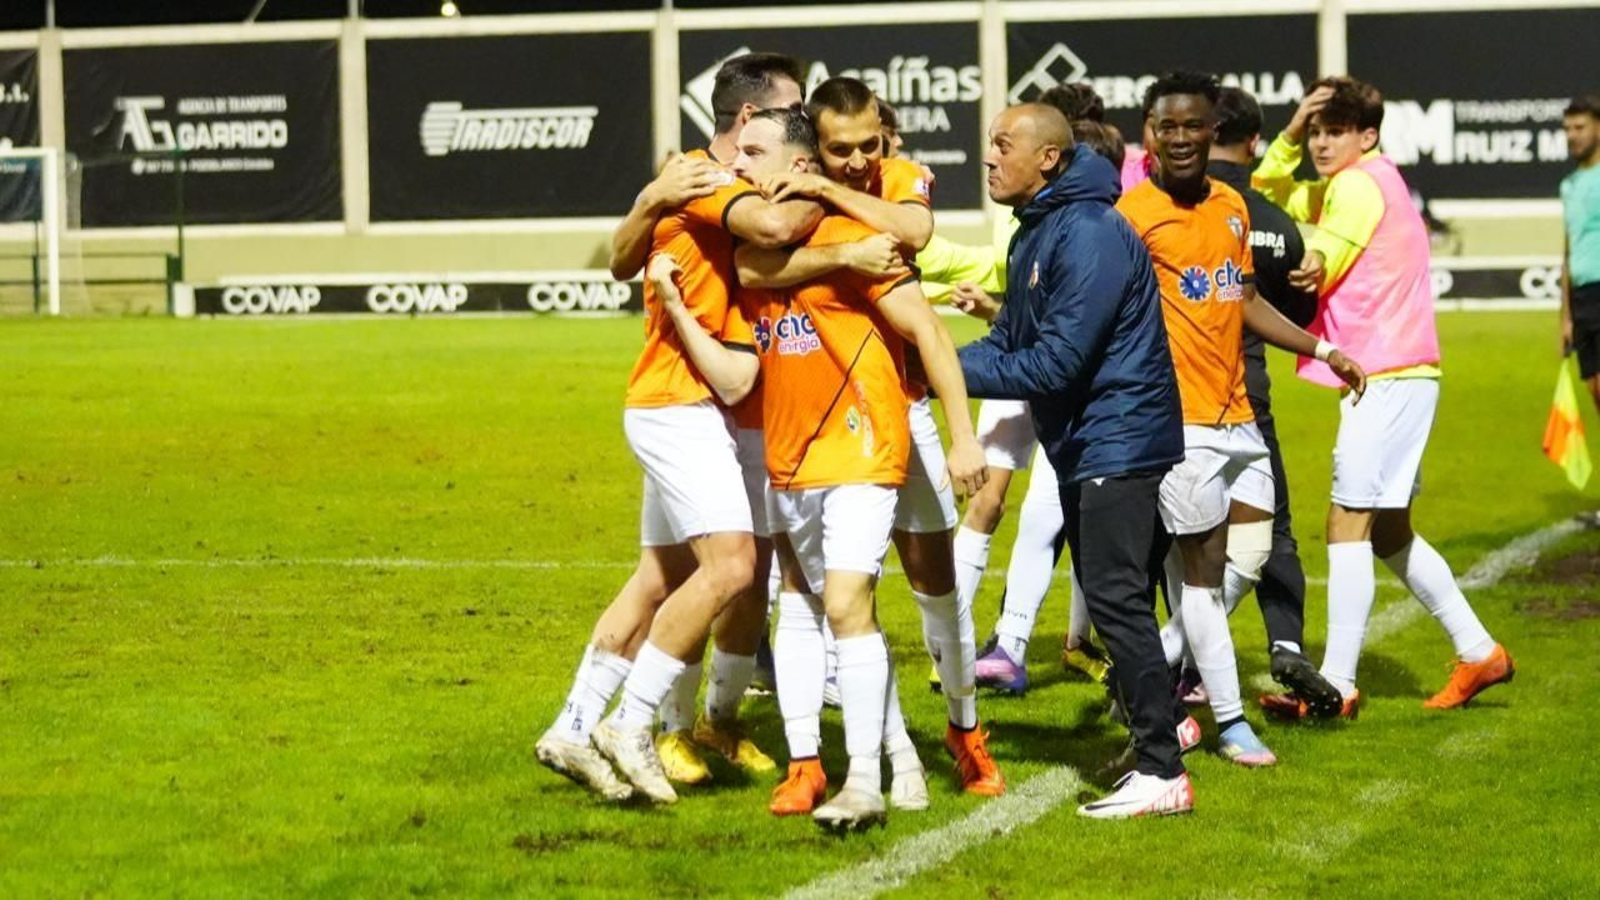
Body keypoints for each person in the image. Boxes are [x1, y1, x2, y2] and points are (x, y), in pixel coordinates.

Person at [534, 53, 821, 804]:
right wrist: (834, 199)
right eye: (795, 114)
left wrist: (646, 199)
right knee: (731, 568)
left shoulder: (686, 175)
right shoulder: (706, 180)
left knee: (661, 577)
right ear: (751, 119)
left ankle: (571, 724)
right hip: (683, 399)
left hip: (694, 402)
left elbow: (622, 260)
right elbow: (765, 224)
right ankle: (639, 723)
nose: (807, 127)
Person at [740, 79, 1005, 803]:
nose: (859, 160)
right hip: (815, 416)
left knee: (935, 583)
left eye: (869, 146)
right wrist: (838, 241)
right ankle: (857, 757)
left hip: (903, 408)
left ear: (886, 139)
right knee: (819, 595)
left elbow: (912, 236)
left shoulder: (895, 177)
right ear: (814, 143)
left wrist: (827, 191)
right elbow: (752, 264)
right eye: (839, 149)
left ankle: (963, 727)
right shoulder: (794, 193)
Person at [1119, 71, 1366, 766]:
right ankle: (1229, 723)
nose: (1181, 138)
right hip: (1182, 422)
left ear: (1210, 130)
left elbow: (1245, 301)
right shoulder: (1133, 216)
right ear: (1151, 136)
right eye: (1167, 127)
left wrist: (1323, 347)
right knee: (1199, 577)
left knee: (1249, 559)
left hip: (1238, 418)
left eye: (1193, 125)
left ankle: (1153, 660)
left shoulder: (1231, 206)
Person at [957, 102, 1192, 818]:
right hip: (1092, 440)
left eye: (1003, 145)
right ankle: (1162, 730)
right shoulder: (1039, 229)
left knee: (1117, 598)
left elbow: (1056, 362)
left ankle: (1163, 771)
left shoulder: (1086, 232)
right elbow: (1009, 343)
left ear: (1049, 159)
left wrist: (935, 368)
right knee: (1116, 595)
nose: (989, 157)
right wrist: (924, 359)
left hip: (1117, 437)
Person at [1254, 76, 1514, 717]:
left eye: (1332, 131)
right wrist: (1286, 138)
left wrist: (1298, 263)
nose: (1319, 143)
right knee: (1389, 531)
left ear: (1366, 135)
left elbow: (1319, 256)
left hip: (1384, 374)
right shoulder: (1374, 178)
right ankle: (1479, 651)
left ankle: (1335, 687)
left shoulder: (1356, 184)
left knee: (1347, 522)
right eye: (1313, 131)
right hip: (1402, 371)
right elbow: (1268, 192)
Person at [1177, 86, 1343, 715]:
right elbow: (1297, 306)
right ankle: (1286, 643)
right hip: (1249, 395)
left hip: (1177, 394)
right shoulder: (1267, 220)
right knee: (1270, 529)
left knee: (1183, 541)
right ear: (1253, 141)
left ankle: (1176, 662)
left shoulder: (1168, 207)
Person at [1561, 94, 1600, 417]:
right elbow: (1568, 251)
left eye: (1580, 127)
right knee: (1595, 390)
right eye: (1568, 128)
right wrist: (1566, 317)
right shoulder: (1569, 185)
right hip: (1584, 300)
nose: (1572, 135)